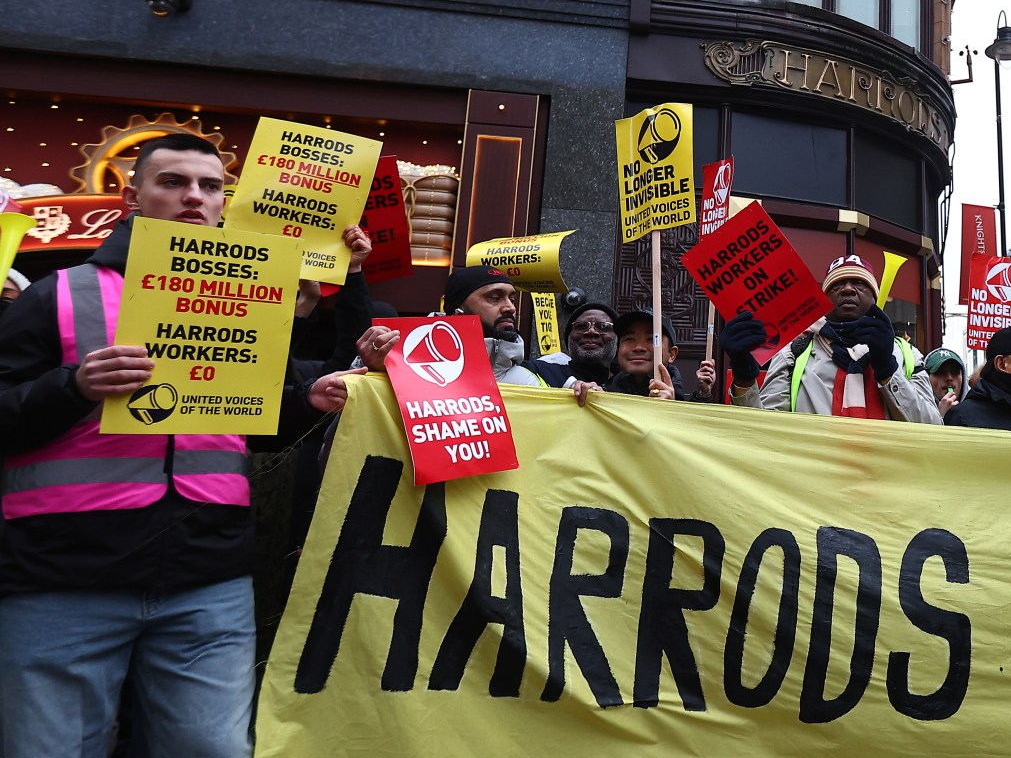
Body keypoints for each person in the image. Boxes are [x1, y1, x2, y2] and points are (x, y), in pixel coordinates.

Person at [0, 133, 357, 757]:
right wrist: (73, 387)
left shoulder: (249, 303)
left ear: (225, 201)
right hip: (62, 578)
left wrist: (308, 401)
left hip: (206, 580)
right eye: (173, 182)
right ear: (133, 197)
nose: (194, 196)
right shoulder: (54, 294)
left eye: (210, 185)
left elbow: (253, 424)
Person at [740, 255, 939, 422]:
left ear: (875, 298)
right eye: (837, 285)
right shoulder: (792, 353)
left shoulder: (908, 355)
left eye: (860, 283)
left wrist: (887, 369)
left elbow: (932, 429)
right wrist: (744, 380)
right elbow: (763, 431)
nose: (848, 289)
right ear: (824, 300)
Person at [356, 266, 541, 387]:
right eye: (494, 297)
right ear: (455, 309)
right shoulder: (395, 359)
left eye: (512, 298)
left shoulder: (527, 383)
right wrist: (373, 369)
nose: (510, 307)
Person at [605, 309, 717, 401]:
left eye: (652, 339)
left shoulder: (686, 409)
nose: (638, 347)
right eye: (629, 339)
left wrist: (703, 395)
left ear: (672, 354)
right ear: (618, 349)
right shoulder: (600, 396)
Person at [530, 301, 617, 388]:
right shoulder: (538, 371)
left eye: (603, 326)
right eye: (581, 326)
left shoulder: (626, 385)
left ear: (619, 342)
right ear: (568, 339)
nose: (591, 331)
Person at [924, 347, 966, 417]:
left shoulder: (976, 410)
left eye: (955, 372)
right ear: (927, 377)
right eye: (940, 372)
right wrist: (940, 417)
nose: (949, 378)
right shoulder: (918, 412)